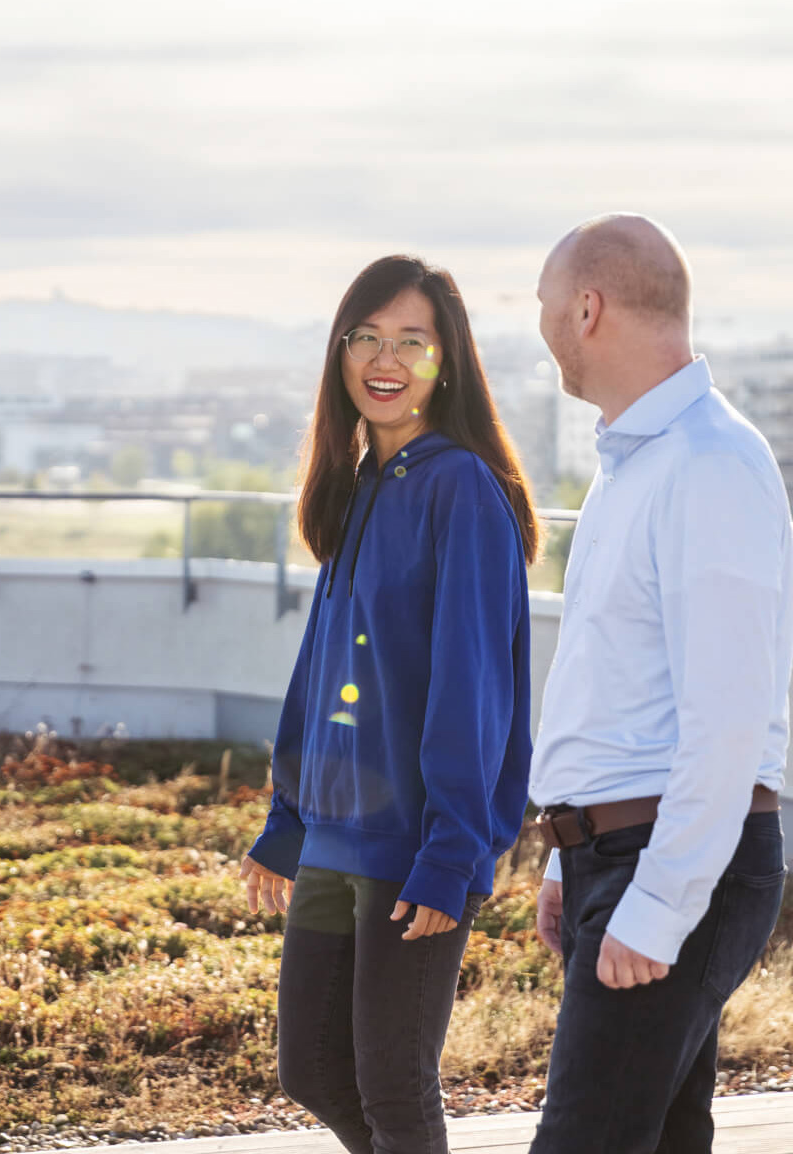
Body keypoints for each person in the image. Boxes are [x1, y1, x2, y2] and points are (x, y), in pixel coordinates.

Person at [240, 254, 539, 1154]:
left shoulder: (460, 489)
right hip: (336, 836)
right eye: (366, 336)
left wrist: (454, 852)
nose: (387, 357)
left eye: (413, 341)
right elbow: (323, 665)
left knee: (393, 1087)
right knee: (313, 1069)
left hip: (412, 845)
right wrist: (287, 816)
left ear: (447, 364)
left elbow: (472, 684)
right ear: (339, 354)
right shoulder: (362, 484)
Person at [527, 215, 793, 1154]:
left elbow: (726, 719)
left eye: (547, 307)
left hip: (671, 864)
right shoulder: (635, 466)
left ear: (587, 308)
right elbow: (611, 691)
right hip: (624, 856)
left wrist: (657, 903)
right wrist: (567, 857)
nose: (544, 329)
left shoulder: (706, 464)